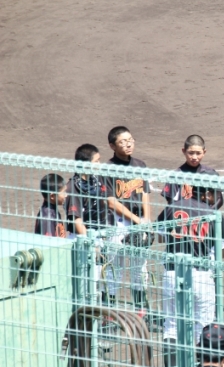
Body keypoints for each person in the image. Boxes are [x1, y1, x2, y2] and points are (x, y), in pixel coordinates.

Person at [157, 186, 224, 367]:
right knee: (203, 328)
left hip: (172, 274)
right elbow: (222, 251)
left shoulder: (172, 207)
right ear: (206, 194)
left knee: (171, 327)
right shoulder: (213, 214)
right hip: (201, 276)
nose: (217, 197)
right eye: (215, 193)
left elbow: (160, 237)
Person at [105, 126, 152, 308]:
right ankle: (108, 312)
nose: (128, 144)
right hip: (117, 224)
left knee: (139, 270)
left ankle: (141, 311)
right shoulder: (108, 169)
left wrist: (146, 221)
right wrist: (138, 220)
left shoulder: (140, 165)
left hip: (139, 222)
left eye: (130, 140)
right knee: (114, 269)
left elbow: (145, 193)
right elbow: (111, 202)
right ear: (112, 146)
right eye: (122, 142)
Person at [64, 144, 116, 302]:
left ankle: (95, 312)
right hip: (82, 239)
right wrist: (92, 245)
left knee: (97, 281)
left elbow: (108, 202)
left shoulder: (97, 181)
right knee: (85, 285)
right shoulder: (73, 187)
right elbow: (77, 220)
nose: (100, 164)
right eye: (96, 161)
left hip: (97, 237)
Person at [160, 134, 224, 210]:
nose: (194, 157)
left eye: (198, 153)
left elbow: (219, 199)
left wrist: (206, 213)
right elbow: (171, 203)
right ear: (184, 151)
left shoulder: (210, 173)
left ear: (204, 152)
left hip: (207, 215)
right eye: (191, 153)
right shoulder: (175, 176)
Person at [34, 173, 67, 238]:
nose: (66, 195)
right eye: (63, 192)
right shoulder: (47, 217)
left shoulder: (52, 210)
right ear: (52, 196)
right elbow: (48, 242)